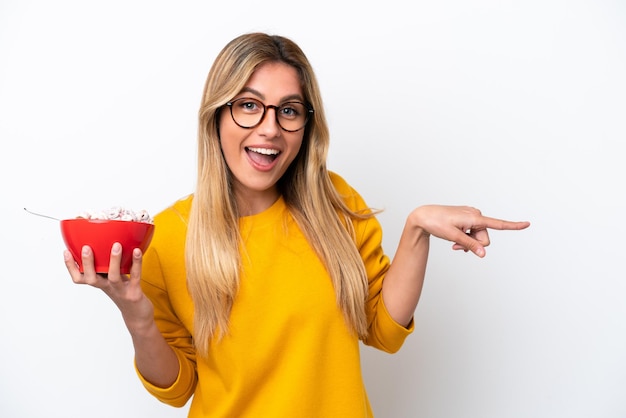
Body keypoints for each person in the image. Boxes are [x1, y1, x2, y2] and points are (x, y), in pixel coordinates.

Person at [64, 32, 530, 417]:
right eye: (249, 105)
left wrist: (417, 228)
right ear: (217, 116)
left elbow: (384, 331)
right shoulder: (167, 236)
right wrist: (137, 317)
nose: (269, 128)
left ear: (306, 126)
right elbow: (178, 388)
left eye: (288, 110)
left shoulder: (336, 203)